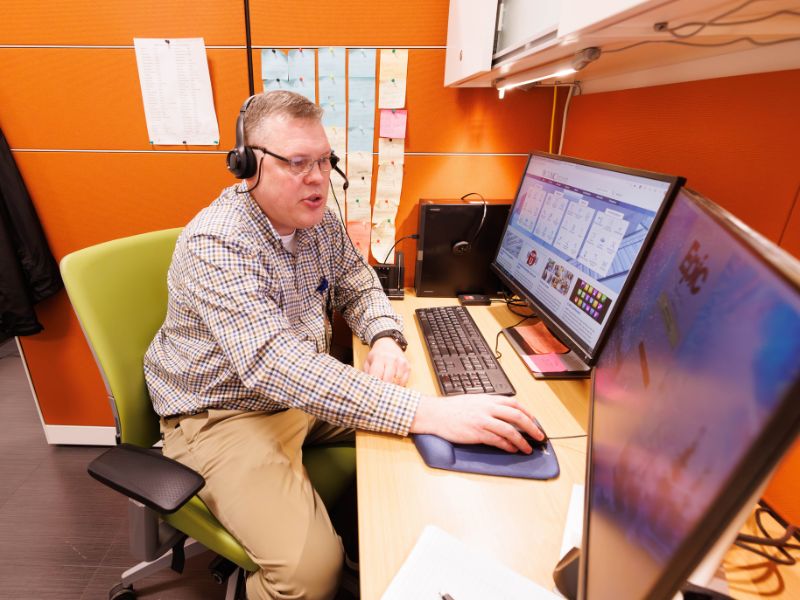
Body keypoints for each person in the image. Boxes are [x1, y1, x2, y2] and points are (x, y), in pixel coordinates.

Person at [143, 90, 544, 600]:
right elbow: (273, 364)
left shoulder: (316, 220)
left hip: (298, 394)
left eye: (324, 160)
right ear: (248, 167)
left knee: (434, 432)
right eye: (297, 162)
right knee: (310, 576)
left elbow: (357, 280)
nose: (318, 178)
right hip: (225, 414)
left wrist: (383, 335)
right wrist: (421, 412)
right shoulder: (217, 244)